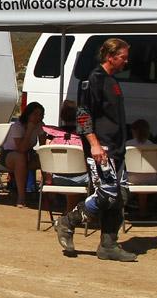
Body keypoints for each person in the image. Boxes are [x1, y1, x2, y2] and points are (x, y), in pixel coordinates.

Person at [56, 38, 136, 262]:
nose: (126, 61)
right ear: (110, 57)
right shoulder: (94, 79)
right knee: (106, 193)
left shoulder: (112, 81)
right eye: (122, 57)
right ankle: (67, 221)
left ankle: (108, 245)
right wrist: (94, 143)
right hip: (101, 148)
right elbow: (83, 114)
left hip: (117, 149)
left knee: (120, 195)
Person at [1, 102, 45, 207]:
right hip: (10, 155)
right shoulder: (17, 126)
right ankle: (21, 197)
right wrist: (29, 130)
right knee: (21, 158)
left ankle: (49, 194)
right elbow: (21, 148)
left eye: (40, 115)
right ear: (28, 114)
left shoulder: (40, 125)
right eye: (35, 114)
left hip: (28, 154)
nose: (37, 117)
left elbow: (43, 145)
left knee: (46, 158)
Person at [125, 118, 157, 216]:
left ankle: (131, 206)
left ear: (133, 131)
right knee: (148, 177)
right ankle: (145, 209)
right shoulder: (153, 146)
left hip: (132, 179)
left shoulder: (128, 144)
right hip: (151, 180)